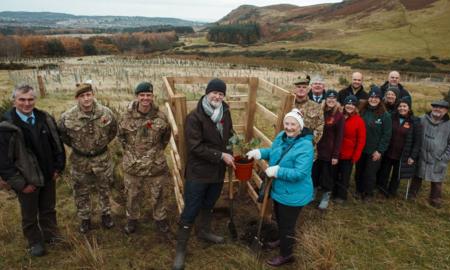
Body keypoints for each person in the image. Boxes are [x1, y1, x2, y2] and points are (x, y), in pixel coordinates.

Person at [172, 78, 235, 270]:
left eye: (221, 93)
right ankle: (181, 250)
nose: (217, 96)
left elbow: (229, 133)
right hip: (198, 172)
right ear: (207, 93)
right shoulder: (195, 117)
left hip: (217, 172)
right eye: (214, 92)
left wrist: (233, 147)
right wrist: (221, 155)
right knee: (191, 208)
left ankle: (204, 231)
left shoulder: (225, 112)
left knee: (209, 203)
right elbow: (195, 147)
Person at [0, 84, 65, 257]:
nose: (27, 103)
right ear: (14, 101)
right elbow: (3, 162)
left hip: (48, 175)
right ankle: (35, 242)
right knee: (29, 213)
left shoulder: (45, 118)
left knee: (48, 208)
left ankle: (51, 234)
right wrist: (20, 184)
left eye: (30, 99)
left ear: (35, 100)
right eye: (22, 99)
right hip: (27, 179)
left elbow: (57, 144)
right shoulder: (6, 126)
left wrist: (58, 167)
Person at [246, 108, 314, 267]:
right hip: (280, 190)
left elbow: (300, 173)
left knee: (287, 225)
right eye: (287, 123)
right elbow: (275, 153)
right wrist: (260, 153)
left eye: (293, 124)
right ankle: (282, 239)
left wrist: (277, 171)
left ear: (300, 127)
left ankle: (287, 254)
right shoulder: (281, 137)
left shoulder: (305, 147)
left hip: (294, 194)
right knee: (281, 219)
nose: (289, 127)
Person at [58, 83, 117, 233]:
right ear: (77, 98)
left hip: (102, 159)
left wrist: (100, 146)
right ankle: (85, 218)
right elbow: (63, 136)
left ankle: (106, 215)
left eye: (88, 95)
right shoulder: (67, 117)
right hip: (80, 160)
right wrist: (80, 148)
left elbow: (113, 131)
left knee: (104, 188)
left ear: (93, 95)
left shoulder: (106, 113)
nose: (86, 99)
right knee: (80, 190)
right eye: (82, 96)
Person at [117, 82, 172, 234]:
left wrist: (154, 153)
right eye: (142, 95)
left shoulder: (160, 117)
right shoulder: (125, 117)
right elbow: (120, 137)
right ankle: (132, 220)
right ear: (137, 97)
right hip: (133, 165)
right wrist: (132, 153)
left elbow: (165, 138)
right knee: (132, 195)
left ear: (153, 96)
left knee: (158, 194)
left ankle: (160, 219)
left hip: (155, 164)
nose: (145, 98)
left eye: (148, 95)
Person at [408, 100, 450, 208]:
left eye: (441, 108)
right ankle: (412, 195)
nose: (437, 109)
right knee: (417, 176)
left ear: (446, 110)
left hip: (438, 158)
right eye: (435, 107)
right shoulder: (422, 119)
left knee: (437, 180)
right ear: (432, 108)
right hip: (421, 155)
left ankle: (435, 199)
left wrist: (444, 158)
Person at [377, 97, 421, 198]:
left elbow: (417, 141)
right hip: (389, 151)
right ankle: (381, 190)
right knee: (384, 172)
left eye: (404, 106)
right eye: (400, 106)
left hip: (402, 153)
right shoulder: (391, 117)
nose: (402, 108)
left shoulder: (414, 122)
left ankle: (392, 192)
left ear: (409, 108)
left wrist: (413, 156)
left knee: (396, 175)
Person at [355, 86, 392, 201]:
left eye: (376, 97)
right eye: (371, 97)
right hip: (361, 148)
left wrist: (380, 151)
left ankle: (368, 193)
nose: (373, 99)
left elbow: (386, 135)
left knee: (370, 173)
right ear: (368, 98)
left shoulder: (385, 115)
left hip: (374, 150)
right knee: (359, 170)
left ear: (380, 99)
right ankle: (359, 190)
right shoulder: (362, 111)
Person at [313, 90, 344, 210]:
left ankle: (325, 197)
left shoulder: (339, 116)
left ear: (336, 100)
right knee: (314, 173)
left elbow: (339, 137)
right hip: (317, 149)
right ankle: (313, 193)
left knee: (327, 175)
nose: (331, 100)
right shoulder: (320, 112)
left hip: (329, 151)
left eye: (334, 98)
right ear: (325, 99)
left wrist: (335, 155)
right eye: (329, 98)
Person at [332, 95, 366, 203]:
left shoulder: (359, 121)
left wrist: (356, 156)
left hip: (348, 154)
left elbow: (361, 140)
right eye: (348, 103)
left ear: (355, 107)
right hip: (336, 152)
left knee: (345, 176)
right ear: (344, 105)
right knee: (334, 173)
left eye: (352, 104)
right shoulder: (338, 116)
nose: (350, 106)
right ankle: (332, 192)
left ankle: (341, 196)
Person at [292, 77, 324, 145]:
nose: (301, 89)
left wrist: (308, 143)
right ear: (294, 89)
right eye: (298, 87)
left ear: (308, 90)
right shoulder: (289, 104)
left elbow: (320, 128)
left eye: (304, 87)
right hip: (289, 145)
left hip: (307, 147)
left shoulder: (316, 107)